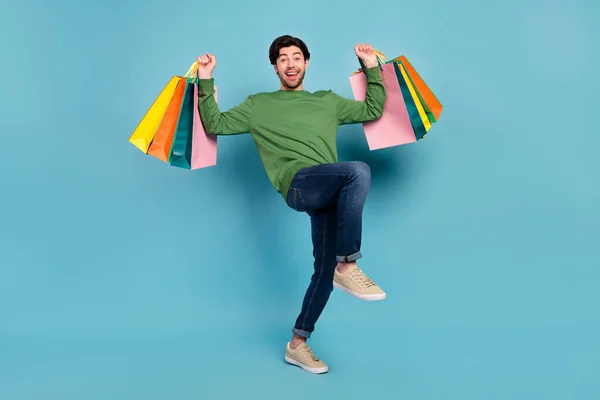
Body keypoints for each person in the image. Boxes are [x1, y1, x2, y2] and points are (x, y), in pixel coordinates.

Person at [196, 35, 387, 374]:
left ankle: (297, 344)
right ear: (275, 67)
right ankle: (348, 264)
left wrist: (371, 67)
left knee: (322, 276)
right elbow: (216, 124)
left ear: (307, 62)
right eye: (283, 59)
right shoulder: (259, 105)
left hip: (330, 190)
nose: (290, 64)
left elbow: (373, 110)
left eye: (296, 57)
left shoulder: (327, 102)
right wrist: (207, 78)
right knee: (358, 170)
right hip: (299, 186)